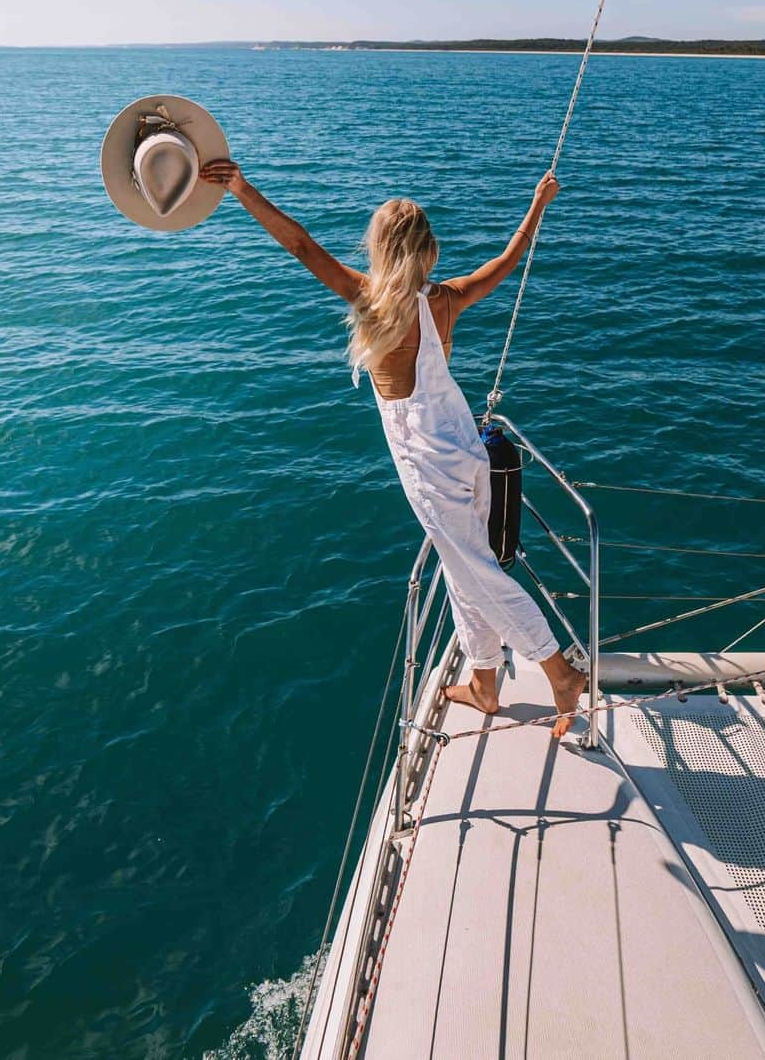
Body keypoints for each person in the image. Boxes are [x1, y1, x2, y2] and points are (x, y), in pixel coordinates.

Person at [198, 158, 586, 737]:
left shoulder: (370, 300)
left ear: (380, 247)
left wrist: (241, 188)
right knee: (463, 566)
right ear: (427, 247)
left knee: (477, 571)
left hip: (427, 460)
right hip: (467, 447)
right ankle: (483, 681)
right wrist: (538, 204)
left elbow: (302, 246)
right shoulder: (447, 298)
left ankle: (557, 670)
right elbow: (508, 261)